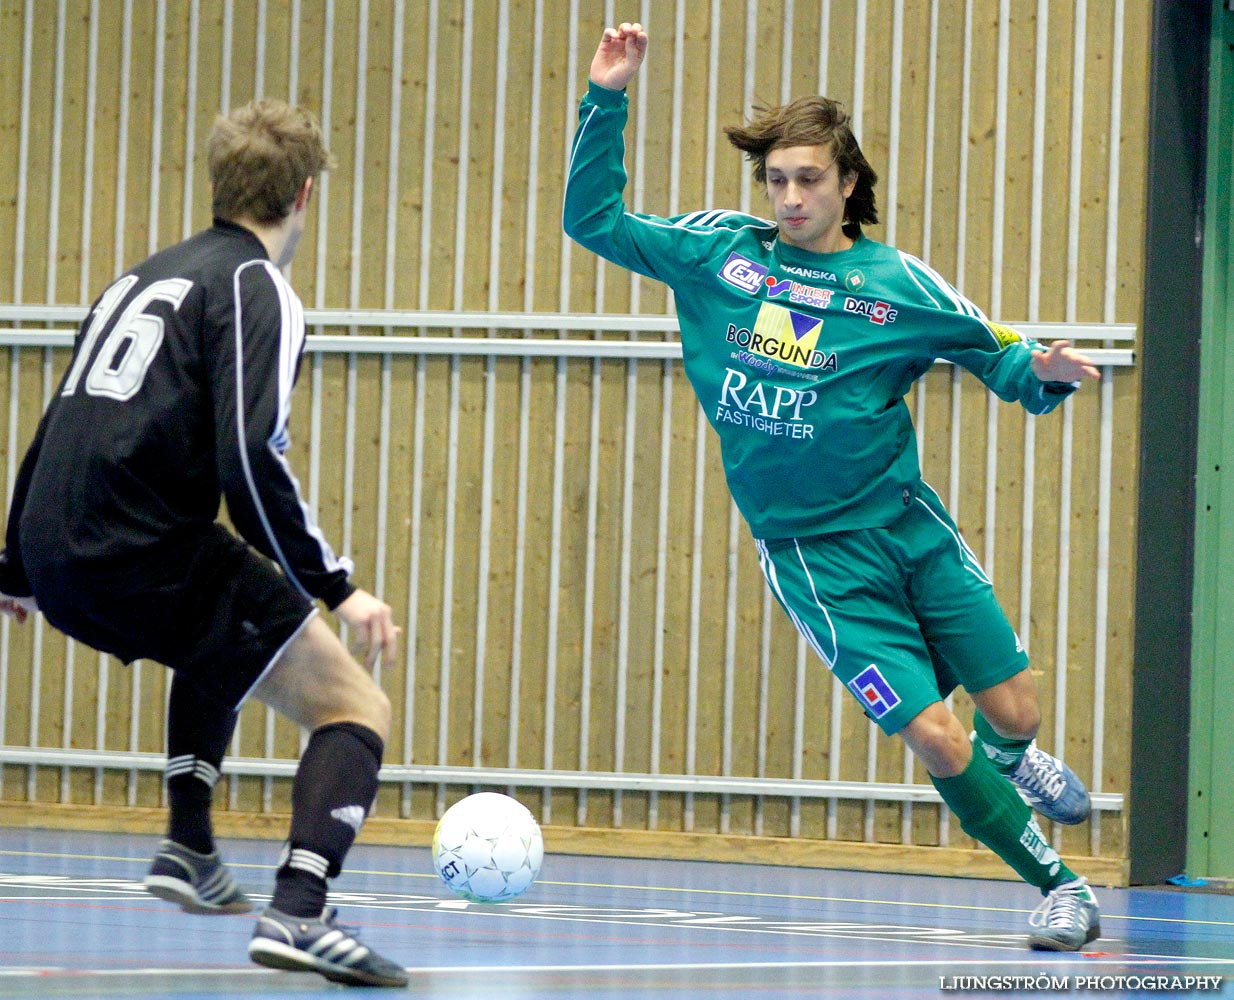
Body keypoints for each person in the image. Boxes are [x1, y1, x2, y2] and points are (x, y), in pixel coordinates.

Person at [564, 22, 1103, 951]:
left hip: (909, 529)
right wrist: (605, 97)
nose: (790, 197)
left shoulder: (896, 285)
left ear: (848, 183)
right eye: (776, 179)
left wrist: (1044, 374)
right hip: (818, 560)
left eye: (809, 178)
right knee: (936, 737)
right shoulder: (719, 255)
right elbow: (593, 222)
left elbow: (997, 353)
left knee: (1014, 710)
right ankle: (1059, 887)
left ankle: (1012, 761)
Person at [0, 99, 408, 988]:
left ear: (219, 186)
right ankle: (300, 911)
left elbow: (54, 421)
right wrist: (337, 587)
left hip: (63, 548)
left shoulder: (139, 278)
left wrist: (16, 563)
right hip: (133, 546)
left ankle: (188, 846)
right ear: (304, 193)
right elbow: (248, 455)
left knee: (221, 622)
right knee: (355, 707)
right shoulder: (256, 287)